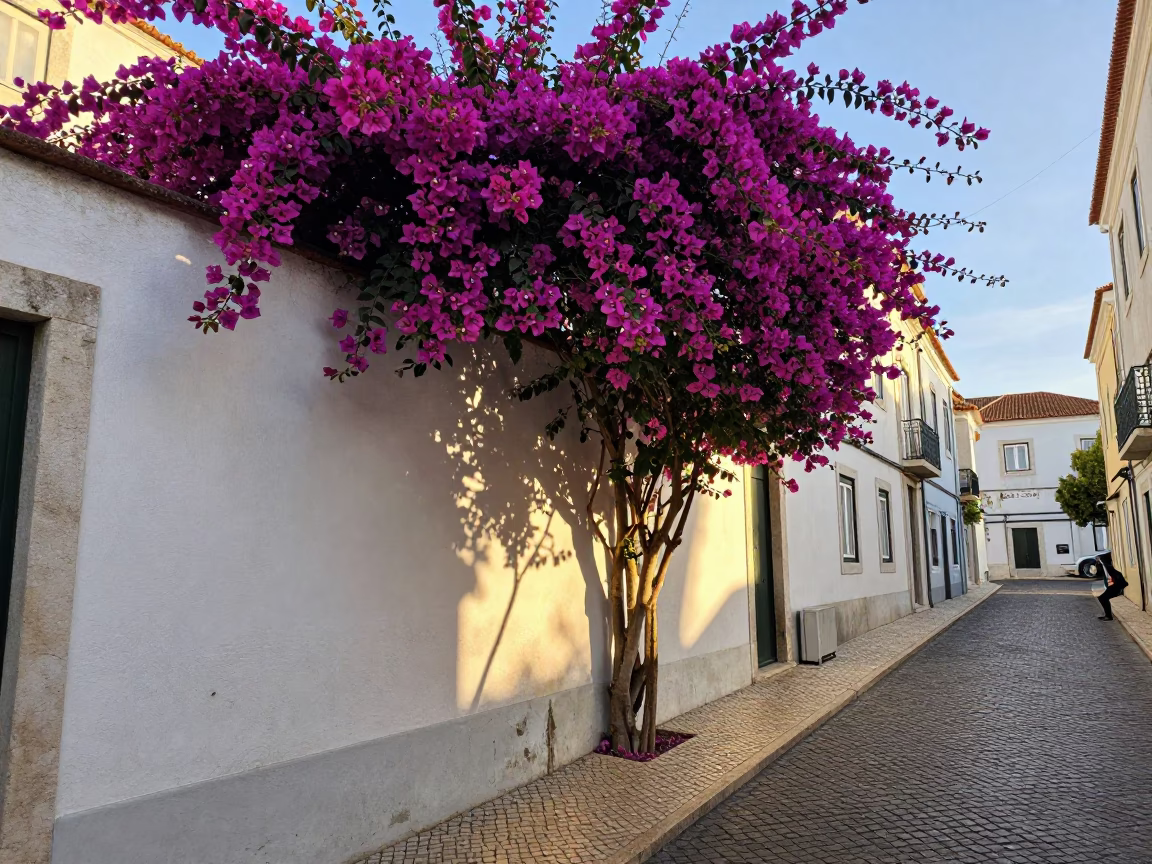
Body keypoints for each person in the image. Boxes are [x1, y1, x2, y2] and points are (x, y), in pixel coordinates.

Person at [1095, 551, 1128, 621]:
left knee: (1103, 598)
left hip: (1117, 585)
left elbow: (1118, 575)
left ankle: (1108, 616)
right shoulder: (1105, 565)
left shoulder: (1108, 565)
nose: (1097, 561)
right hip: (1114, 584)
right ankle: (1108, 615)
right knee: (1102, 598)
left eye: (1098, 559)